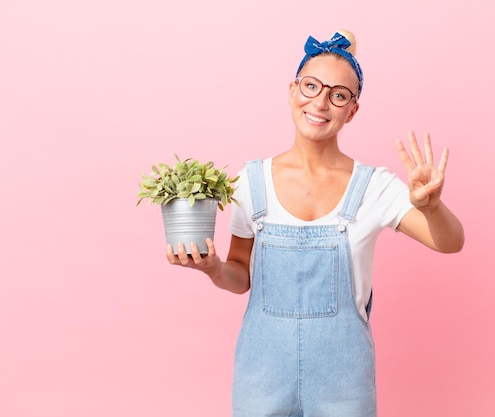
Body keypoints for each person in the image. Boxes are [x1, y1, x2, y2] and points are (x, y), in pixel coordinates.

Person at [166, 30, 464, 417]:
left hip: (344, 383)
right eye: (311, 86)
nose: (320, 102)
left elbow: (450, 242)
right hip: (261, 377)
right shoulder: (249, 183)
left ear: (351, 110)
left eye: (338, 94)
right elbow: (239, 274)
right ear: (292, 91)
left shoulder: (373, 186)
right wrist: (214, 269)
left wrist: (434, 206)